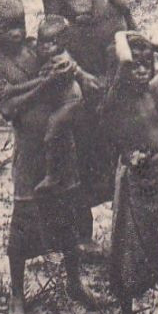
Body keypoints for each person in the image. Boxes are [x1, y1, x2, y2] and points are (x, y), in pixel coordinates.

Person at [0, 0, 100, 314]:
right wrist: (44, 84)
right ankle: (17, 295)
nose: (16, 32)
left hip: (62, 146)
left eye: (19, 23)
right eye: (6, 27)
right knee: (23, 222)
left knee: (69, 213)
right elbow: (8, 107)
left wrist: (72, 71)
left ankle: (74, 282)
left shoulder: (38, 47)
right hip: (30, 150)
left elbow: (65, 63)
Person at [42, 0, 138, 248]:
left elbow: (127, 18)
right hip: (84, 82)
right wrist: (83, 78)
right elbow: (53, 41)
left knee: (126, 151)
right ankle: (81, 236)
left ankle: (128, 230)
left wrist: (138, 57)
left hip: (119, 75)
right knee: (82, 154)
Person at [104, 31, 158, 314]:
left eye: (145, 66)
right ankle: (127, 313)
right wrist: (128, 154)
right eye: (133, 67)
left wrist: (154, 45)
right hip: (136, 176)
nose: (140, 72)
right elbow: (110, 135)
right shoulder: (116, 97)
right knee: (130, 241)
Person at [28, 16, 94, 198]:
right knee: (65, 138)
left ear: (62, 43)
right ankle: (66, 172)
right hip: (67, 101)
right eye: (42, 42)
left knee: (52, 132)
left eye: (51, 43)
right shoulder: (57, 55)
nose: (45, 47)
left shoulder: (60, 60)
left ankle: (52, 174)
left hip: (70, 102)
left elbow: (48, 79)